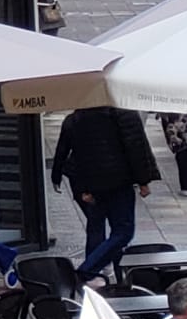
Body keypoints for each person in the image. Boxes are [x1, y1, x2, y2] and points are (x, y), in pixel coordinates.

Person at [50, 107, 158, 287]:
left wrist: (59, 176)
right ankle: (87, 271)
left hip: (87, 181)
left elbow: (67, 148)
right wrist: (143, 180)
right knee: (123, 231)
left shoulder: (77, 117)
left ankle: (110, 274)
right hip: (117, 181)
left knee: (97, 224)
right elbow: (136, 147)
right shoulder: (124, 114)